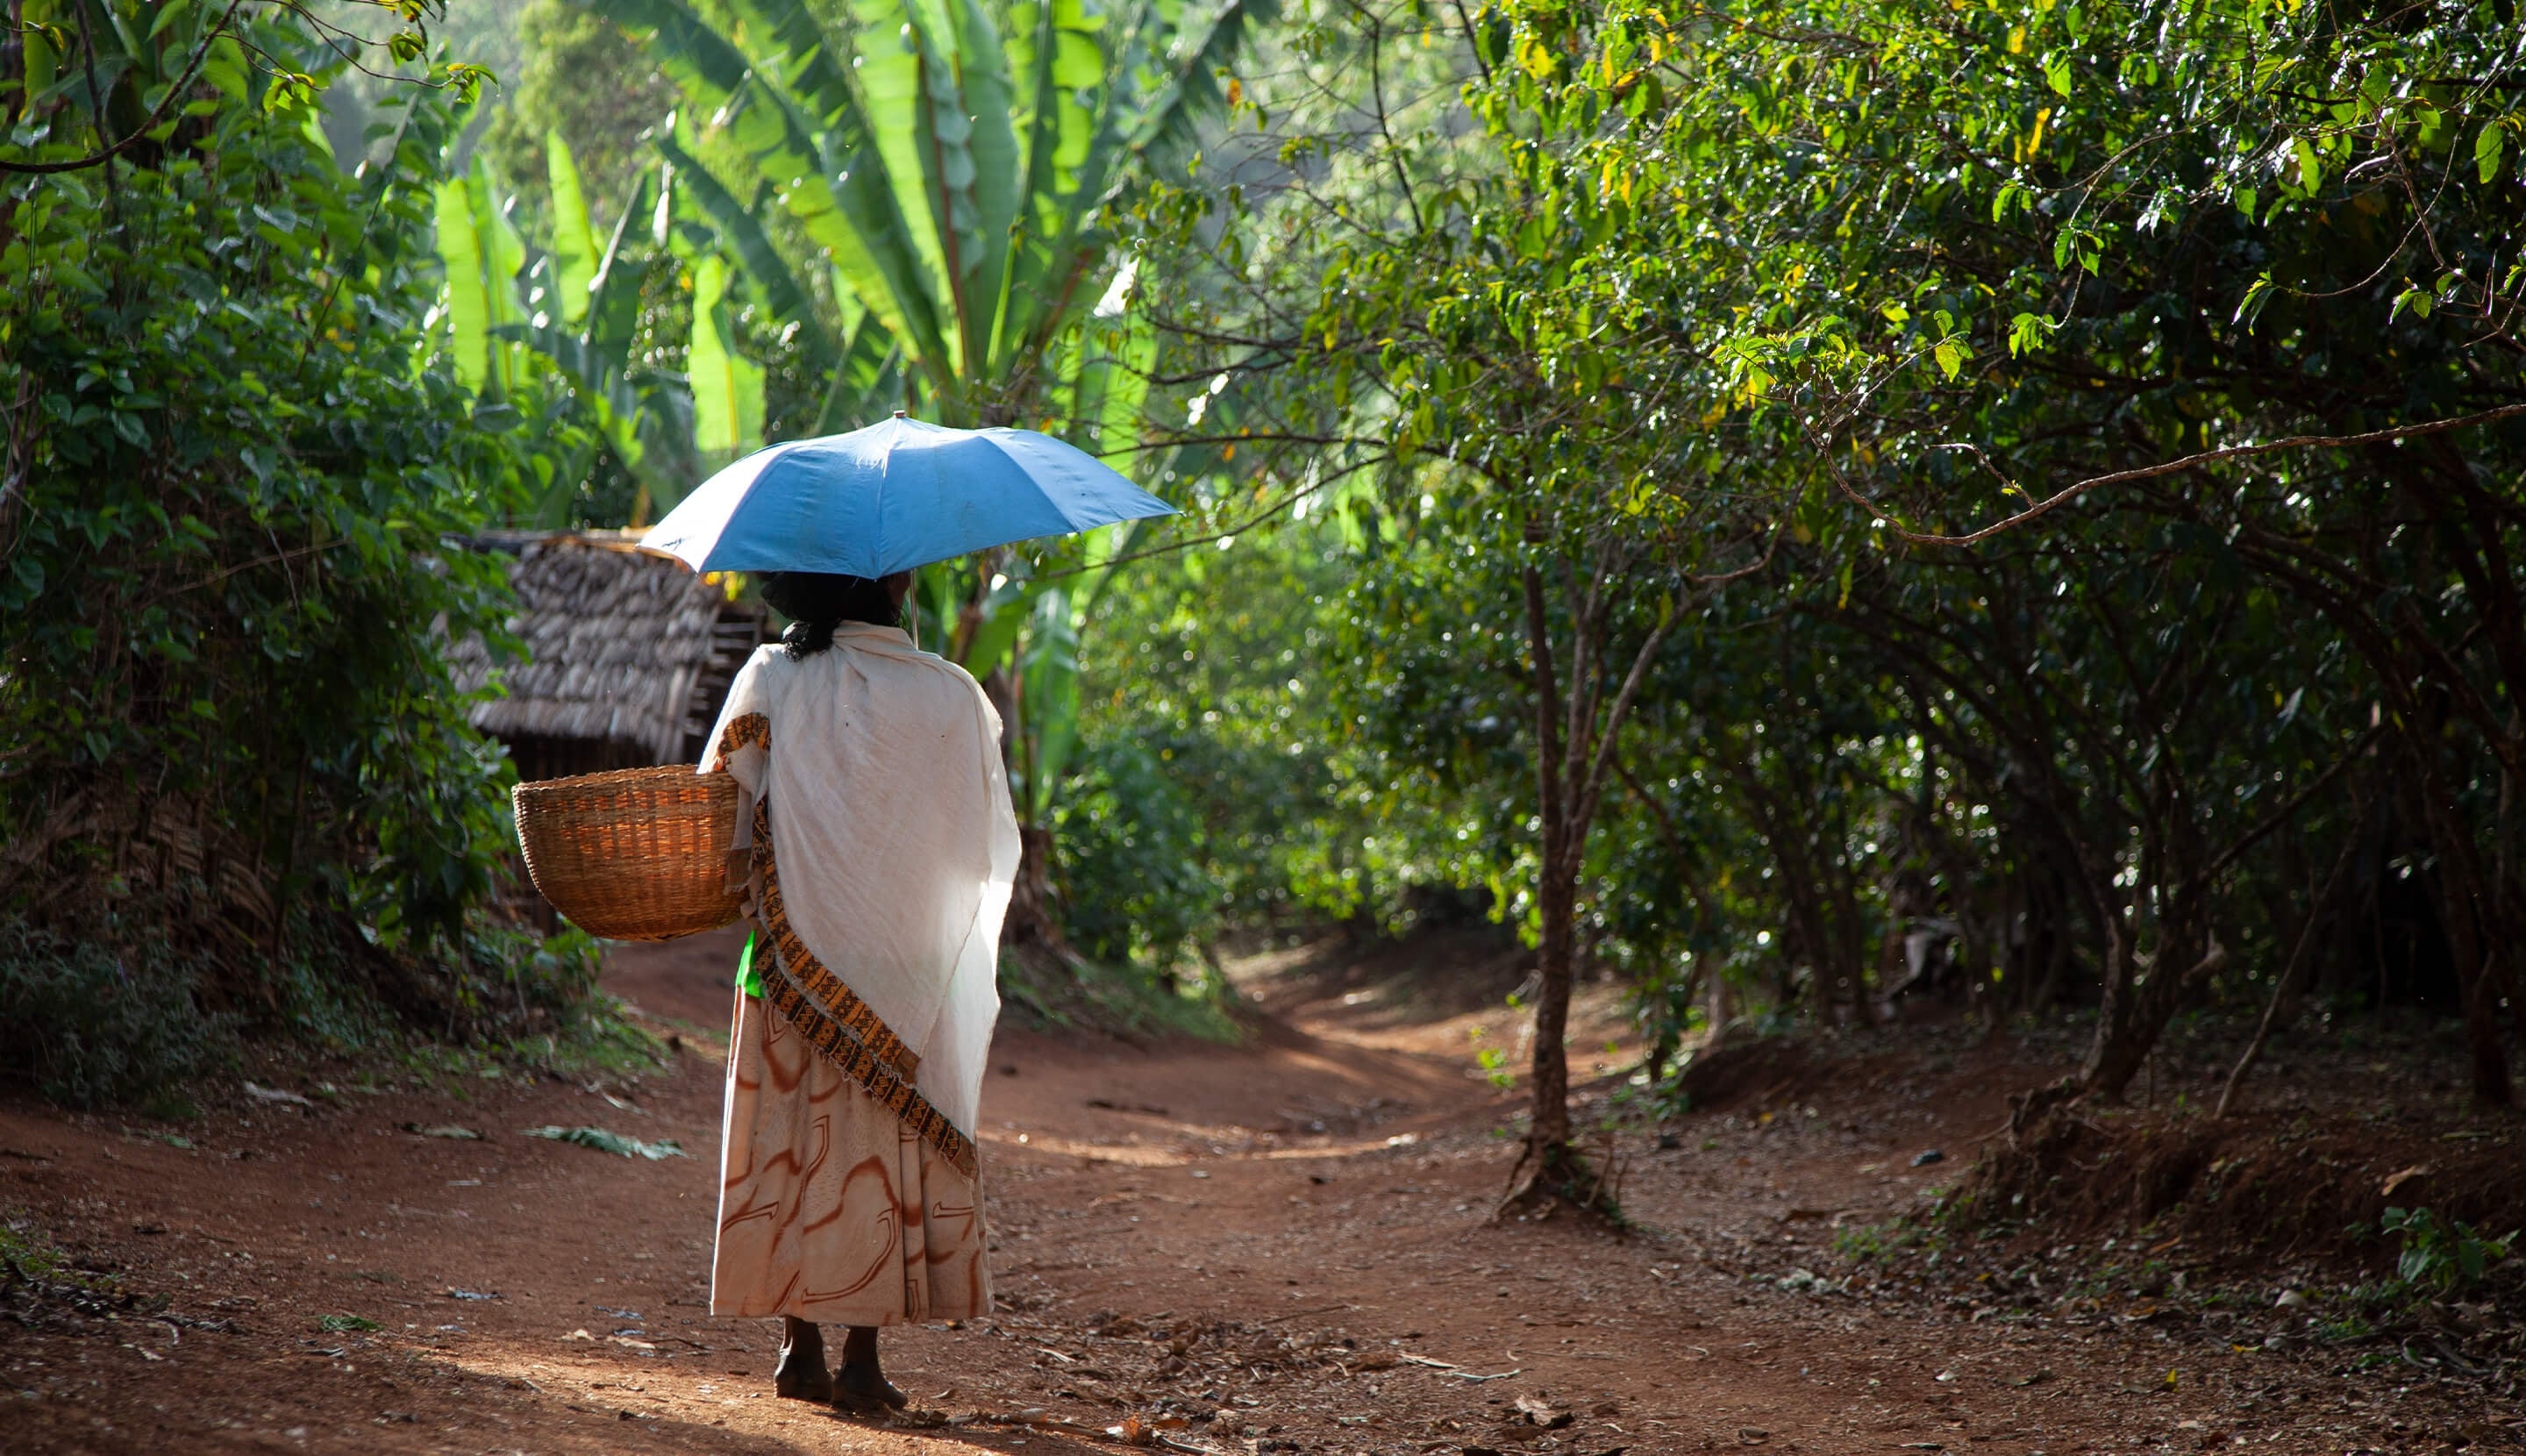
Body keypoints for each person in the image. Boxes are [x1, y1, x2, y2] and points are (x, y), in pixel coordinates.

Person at [699, 569, 1020, 1413]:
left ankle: (797, 1345)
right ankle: (863, 1357)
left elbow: (723, 803)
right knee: (878, 1156)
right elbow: (976, 847)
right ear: (900, 586)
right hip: (907, 964)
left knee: (795, 1142)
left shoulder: (771, 675)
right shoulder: (953, 695)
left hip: (786, 960)